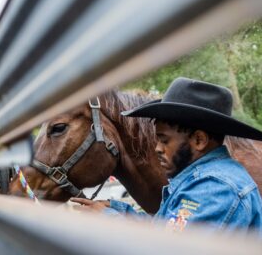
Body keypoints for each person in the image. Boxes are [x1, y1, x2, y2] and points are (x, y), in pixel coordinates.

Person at [71, 77, 262, 235]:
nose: (157, 148)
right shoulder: (203, 180)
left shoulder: (215, 187)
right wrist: (119, 211)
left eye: (164, 140)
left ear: (199, 140)